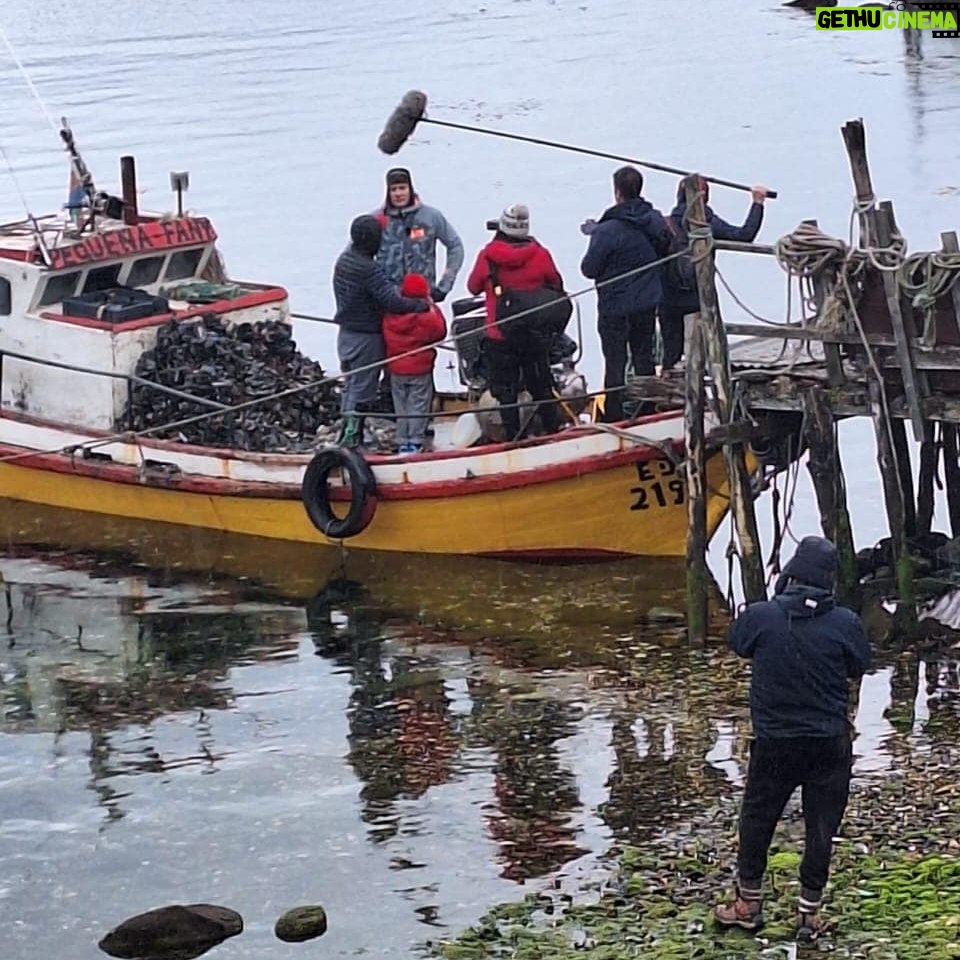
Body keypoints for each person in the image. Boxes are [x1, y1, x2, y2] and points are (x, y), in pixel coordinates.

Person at [714, 536, 871, 943]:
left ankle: (747, 904)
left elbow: (738, 643)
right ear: (830, 581)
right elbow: (859, 666)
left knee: (758, 819)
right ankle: (809, 913)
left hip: (776, 741)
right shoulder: (846, 623)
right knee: (821, 827)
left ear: (790, 572)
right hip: (828, 742)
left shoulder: (762, 616)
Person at [580, 166, 672, 422]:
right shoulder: (654, 220)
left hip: (614, 307)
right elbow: (665, 248)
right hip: (646, 303)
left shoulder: (607, 230)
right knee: (644, 358)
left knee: (615, 362)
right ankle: (647, 410)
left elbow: (589, 269)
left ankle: (614, 416)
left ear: (617, 192)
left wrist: (596, 235)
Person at [466, 203, 564, 442]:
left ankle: (512, 438)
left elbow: (472, 286)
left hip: (500, 335)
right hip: (534, 334)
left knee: (505, 391)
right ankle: (552, 432)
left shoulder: (488, 255)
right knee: (541, 385)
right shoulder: (540, 254)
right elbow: (556, 283)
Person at [331, 215, 429, 448]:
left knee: (351, 384)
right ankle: (351, 439)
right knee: (362, 389)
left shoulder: (344, 260)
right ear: (371, 240)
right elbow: (392, 301)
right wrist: (420, 305)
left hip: (346, 334)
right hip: (367, 337)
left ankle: (349, 432)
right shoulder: (368, 268)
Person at [373, 168, 463, 415]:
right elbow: (359, 252)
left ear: (410, 189)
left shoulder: (431, 217)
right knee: (392, 361)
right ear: (388, 192)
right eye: (394, 189)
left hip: (424, 303)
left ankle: (426, 417)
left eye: (402, 188)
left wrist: (445, 284)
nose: (399, 193)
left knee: (424, 359)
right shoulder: (377, 221)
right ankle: (393, 413)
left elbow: (455, 247)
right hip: (390, 303)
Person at [660, 176, 769, 372]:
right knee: (711, 347)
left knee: (671, 353)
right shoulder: (707, 224)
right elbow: (744, 235)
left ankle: (670, 391)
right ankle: (712, 385)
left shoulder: (665, 224)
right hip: (701, 296)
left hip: (670, 297)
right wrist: (757, 203)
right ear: (705, 199)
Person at [382, 272, 447, 455]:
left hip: (396, 368)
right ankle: (415, 440)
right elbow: (440, 332)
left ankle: (402, 440)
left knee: (401, 405)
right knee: (418, 404)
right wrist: (432, 305)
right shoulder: (426, 315)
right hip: (420, 368)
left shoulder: (392, 314)